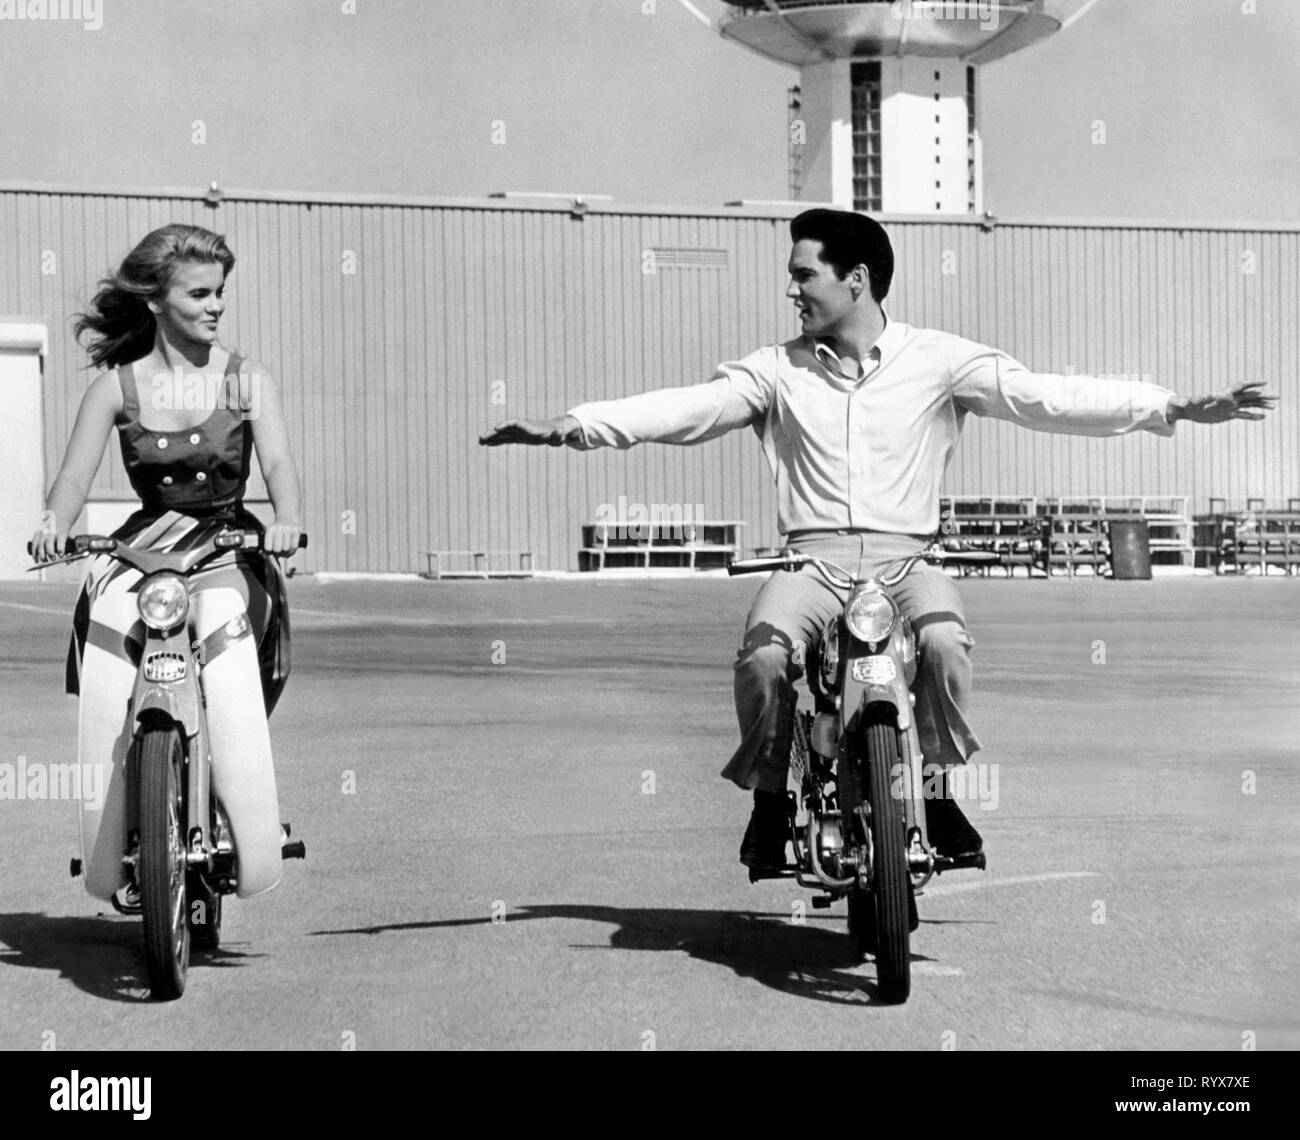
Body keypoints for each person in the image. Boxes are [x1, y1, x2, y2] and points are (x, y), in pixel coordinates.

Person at [480, 208, 1274, 878]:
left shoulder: (940, 360)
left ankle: (932, 788)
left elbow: (1047, 397)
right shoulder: (775, 372)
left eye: (805, 275)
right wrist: (575, 427)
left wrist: (1170, 406)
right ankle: (769, 795)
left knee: (946, 648)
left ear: (855, 278)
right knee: (763, 656)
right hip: (812, 559)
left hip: (909, 558)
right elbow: (687, 408)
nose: (792, 289)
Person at [30, 223, 304, 903]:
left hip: (230, 545)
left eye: (220, 293)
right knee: (108, 636)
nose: (216, 306)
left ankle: (249, 823)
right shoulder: (116, 389)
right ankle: (111, 827)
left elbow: (276, 461)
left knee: (224, 630)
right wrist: (54, 524)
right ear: (157, 302)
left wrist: (287, 521)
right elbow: (71, 476)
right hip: (145, 546)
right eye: (200, 293)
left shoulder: (245, 381)